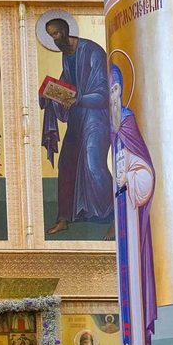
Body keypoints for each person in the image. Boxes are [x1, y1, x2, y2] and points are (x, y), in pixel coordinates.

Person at [41, 18, 112, 236]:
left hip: (97, 118)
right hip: (78, 117)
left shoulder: (93, 51)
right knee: (66, 163)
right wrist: (52, 93)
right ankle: (64, 218)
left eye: (56, 33)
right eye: (51, 36)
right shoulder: (66, 55)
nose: (55, 39)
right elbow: (67, 83)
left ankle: (115, 214)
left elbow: (103, 93)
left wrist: (78, 98)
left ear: (65, 30)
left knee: (93, 163)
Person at [111, 64, 156, 345]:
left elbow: (145, 169)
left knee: (134, 299)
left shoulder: (127, 123)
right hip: (117, 213)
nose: (111, 98)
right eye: (108, 92)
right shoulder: (111, 129)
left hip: (129, 212)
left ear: (121, 91)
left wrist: (130, 178)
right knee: (125, 300)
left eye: (115, 90)